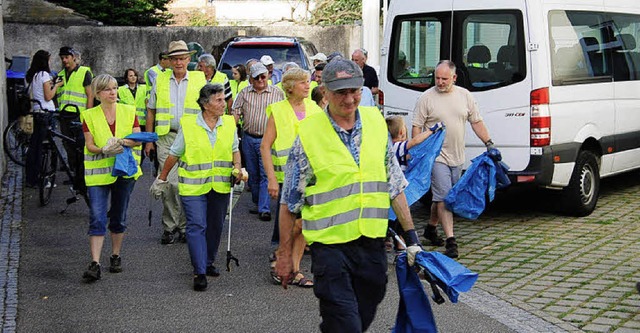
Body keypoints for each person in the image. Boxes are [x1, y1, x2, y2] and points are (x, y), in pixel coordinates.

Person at [275, 58, 424, 332]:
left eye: (355, 90)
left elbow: (394, 184)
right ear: (326, 92)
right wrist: (285, 256)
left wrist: (412, 238)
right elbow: (289, 203)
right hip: (330, 248)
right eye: (341, 92)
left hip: (371, 244)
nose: (349, 98)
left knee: (365, 308)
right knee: (346, 323)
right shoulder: (308, 134)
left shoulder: (376, 123)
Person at [152, 84, 241, 291]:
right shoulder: (189, 124)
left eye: (223, 99)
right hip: (193, 187)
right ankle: (199, 271)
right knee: (196, 225)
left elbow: (234, 149)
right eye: (218, 100)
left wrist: (237, 167)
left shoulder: (229, 123)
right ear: (205, 104)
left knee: (215, 225)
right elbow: (174, 153)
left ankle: (208, 262)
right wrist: (162, 178)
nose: (223, 104)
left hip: (219, 184)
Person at [411, 60, 496, 258]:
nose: (439, 82)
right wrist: (416, 150)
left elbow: (476, 122)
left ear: (454, 78)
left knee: (442, 196)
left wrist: (489, 142)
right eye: (437, 78)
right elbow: (417, 126)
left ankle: (431, 228)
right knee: (445, 196)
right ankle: (451, 240)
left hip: (457, 156)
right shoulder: (426, 98)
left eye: (444, 79)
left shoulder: (464, 96)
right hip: (436, 156)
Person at [260, 68, 321, 288]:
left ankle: (294, 268)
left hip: (312, 177)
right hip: (286, 178)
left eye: (308, 81)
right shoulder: (278, 110)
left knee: (304, 225)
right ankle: (283, 259)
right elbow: (265, 146)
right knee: (292, 226)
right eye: (303, 82)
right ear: (290, 86)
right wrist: (271, 179)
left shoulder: (315, 108)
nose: (308, 85)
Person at [145, 40, 208, 245]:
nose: (179, 62)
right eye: (175, 59)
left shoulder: (200, 79)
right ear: (169, 61)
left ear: (189, 59)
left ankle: (183, 227)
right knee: (170, 183)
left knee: (186, 184)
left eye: (182, 58)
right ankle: (170, 226)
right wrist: (149, 140)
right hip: (167, 136)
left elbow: (209, 109)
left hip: (192, 137)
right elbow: (151, 110)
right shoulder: (160, 80)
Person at [81, 74, 143, 282]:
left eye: (115, 88)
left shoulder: (128, 110)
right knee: (97, 216)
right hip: (99, 173)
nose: (113, 92)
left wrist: (123, 142)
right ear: (98, 94)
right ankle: (95, 263)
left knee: (119, 215)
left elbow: (138, 138)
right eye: (107, 89)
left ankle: (115, 255)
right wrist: (103, 149)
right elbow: (89, 145)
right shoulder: (89, 115)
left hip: (124, 171)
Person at [232, 63, 285, 221]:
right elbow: (235, 113)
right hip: (249, 137)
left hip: (268, 140)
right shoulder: (244, 93)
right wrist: (230, 134)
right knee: (253, 175)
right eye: (257, 77)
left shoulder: (277, 93)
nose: (261, 80)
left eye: (264, 76)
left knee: (265, 174)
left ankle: (264, 208)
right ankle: (258, 201)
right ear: (250, 79)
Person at [24, 50, 64, 187]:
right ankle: (41, 179)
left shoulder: (34, 75)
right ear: (44, 61)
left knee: (35, 147)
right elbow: (48, 96)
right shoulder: (44, 75)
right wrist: (57, 86)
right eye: (49, 59)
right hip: (46, 113)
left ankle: (31, 178)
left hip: (37, 112)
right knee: (44, 148)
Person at [57, 46, 94, 172]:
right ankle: (74, 174)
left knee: (80, 145)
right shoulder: (60, 75)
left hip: (79, 115)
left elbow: (90, 94)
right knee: (68, 144)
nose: (64, 60)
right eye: (62, 58)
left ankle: (82, 174)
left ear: (73, 57)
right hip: (64, 115)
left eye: (67, 57)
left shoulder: (84, 72)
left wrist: (88, 115)